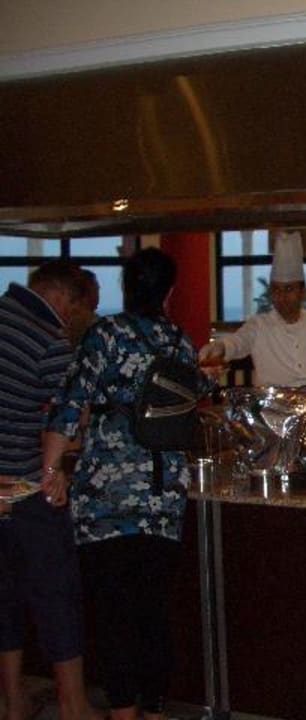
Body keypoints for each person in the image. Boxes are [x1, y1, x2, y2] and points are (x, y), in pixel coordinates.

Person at [44, 248, 207, 720]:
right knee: (152, 611)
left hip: (106, 497)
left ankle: (122, 713)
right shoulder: (179, 342)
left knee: (113, 613)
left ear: (125, 287)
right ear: (169, 293)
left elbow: (70, 404)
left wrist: (52, 469)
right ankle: (153, 711)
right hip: (163, 492)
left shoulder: (106, 335)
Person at [0, 260, 102, 720]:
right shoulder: (48, 340)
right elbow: (68, 420)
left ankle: (12, 701)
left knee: (4, 597)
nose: (73, 320)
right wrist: (53, 468)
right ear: (64, 298)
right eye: (78, 310)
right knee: (56, 596)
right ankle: (73, 706)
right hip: (26, 488)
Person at [198, 230, 306, 403]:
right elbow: (237, 343)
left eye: (289, 289)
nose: (282, 296)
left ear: (303, 292)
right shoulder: (259, 325)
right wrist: (220, 348)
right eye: (276, 289)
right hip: (271, 410)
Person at [67, 269, 100, 347]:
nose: (99, 295)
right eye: (97, 289)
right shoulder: (94, 322)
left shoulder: (65, 316)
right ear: (90, 291)